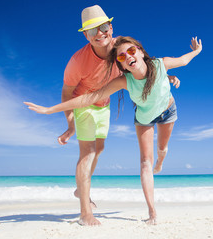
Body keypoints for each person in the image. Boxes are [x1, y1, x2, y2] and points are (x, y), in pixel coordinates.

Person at [25, 36, 202, 225]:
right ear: (121, 65)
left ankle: (160, 162)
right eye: (121, 57)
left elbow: (184, 60)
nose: (128, 57)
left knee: (162, 149)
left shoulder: (161, 64)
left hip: (167, 111)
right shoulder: (124, 81)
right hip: (144, 120)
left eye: (132, 51)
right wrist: (51, 109)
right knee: (144, 163)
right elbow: (89, 98)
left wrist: (197, 50)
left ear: (141, 52)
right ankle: (152, 212)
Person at [58, 5, 121, 226]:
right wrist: (70, 124)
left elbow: (142, 64)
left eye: (103, 27)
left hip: (104, 104)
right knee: (88, 152)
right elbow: (67, 93)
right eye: (92, 30)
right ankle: (85, 212)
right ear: (86, 35)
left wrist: (166, 77)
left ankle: (80, 189)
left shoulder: (122, 47)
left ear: (111, 27)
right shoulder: (78, 61)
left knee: (99, 149)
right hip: (83, 103)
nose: (99, 33)